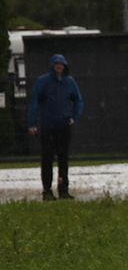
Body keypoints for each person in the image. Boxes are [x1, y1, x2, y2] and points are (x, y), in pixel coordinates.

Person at [26, 53, 84, 201]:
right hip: (48, 125)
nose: (59, 66)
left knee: (63, 158)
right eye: (57, 64)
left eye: (61, 64)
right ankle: (47, 190)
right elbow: (34, 103)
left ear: (65, 66)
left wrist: (74, 117)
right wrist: (32, 123)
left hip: (63, 125)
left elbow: (78, 100)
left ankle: (63, 189)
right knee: (47, 159)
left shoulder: (69, 82)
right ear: (52, 66)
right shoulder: (43, 82)